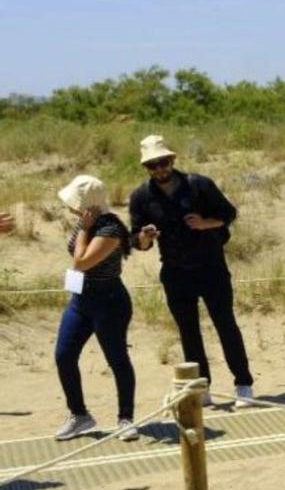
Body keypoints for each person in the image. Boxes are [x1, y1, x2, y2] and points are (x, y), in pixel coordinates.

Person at [130, 135, 254, 407]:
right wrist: (146, 237)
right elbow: (135, 241)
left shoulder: (199, 185)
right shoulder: (141, 197)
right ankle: (202, 387)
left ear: (172, 160)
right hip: (175, 272)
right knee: (188, 331)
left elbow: (229, 213)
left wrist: (205, 223)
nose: (159, 169)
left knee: (226, 325)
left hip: (211, 267)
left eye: (162, 162)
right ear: (146, 168)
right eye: (152, 165)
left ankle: (243, 383)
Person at [53, 176, 138, 442]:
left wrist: (84, 230)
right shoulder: (86, 222)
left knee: (117, 359)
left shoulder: (110, 229)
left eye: (75, 203)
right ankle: (79, 415)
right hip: (81, 301)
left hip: (109, 303)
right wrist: (84, 228)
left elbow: (81, 262)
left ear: (89, 205)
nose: (70, 207)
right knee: (64, 355)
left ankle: (126, 418)